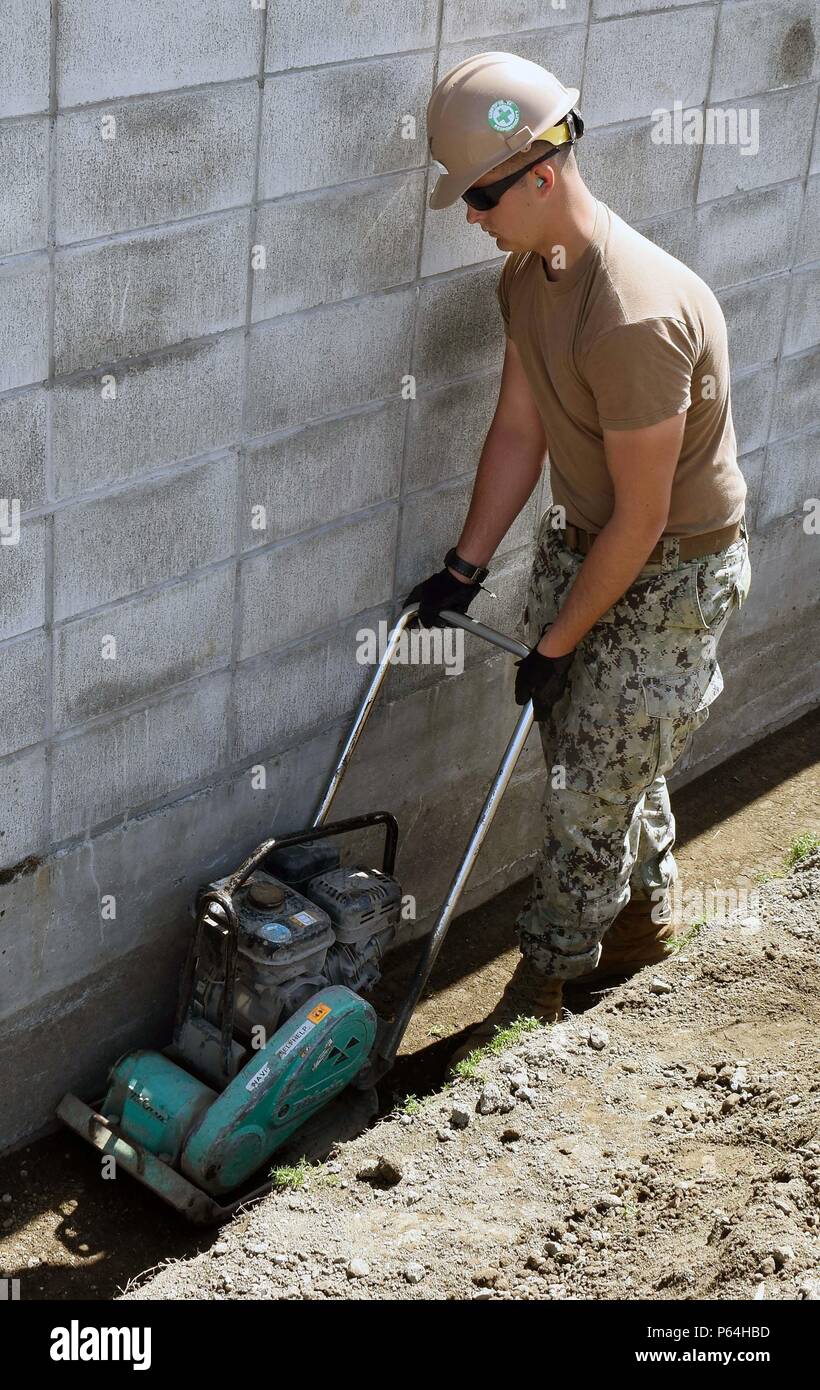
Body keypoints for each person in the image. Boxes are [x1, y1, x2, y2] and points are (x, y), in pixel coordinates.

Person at [403, 52, 752, 1070]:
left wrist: (556, 641)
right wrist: (465, 566)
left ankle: (539, 988)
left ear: (539, 175)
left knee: (586, 793)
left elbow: (642, 519)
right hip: (587, 547)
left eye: (479, 196)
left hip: (671, 576)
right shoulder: (533, 274)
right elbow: (520, 430)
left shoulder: (633, 316)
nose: (472, 217)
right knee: (599, 765)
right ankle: (641, 928)